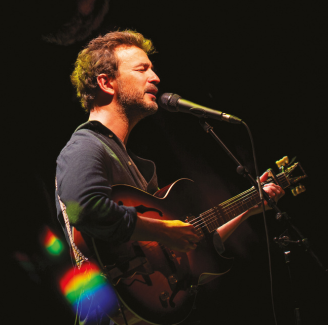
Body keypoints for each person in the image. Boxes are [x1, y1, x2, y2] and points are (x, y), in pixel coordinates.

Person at [54, 30, 283, 325]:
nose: (156, 77)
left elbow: (183, 244)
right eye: (142, 69)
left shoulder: (134, 165)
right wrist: (162, 231)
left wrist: (250, 206)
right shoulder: (85, 146)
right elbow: (83, 208)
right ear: (106, 82)